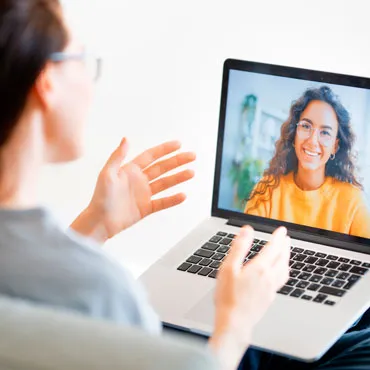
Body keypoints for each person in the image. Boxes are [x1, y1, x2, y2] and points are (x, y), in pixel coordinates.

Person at [0, 1, 369, 370]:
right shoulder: (108, 292)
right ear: (46, 82)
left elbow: (35, 296)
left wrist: (94, 225)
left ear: (336, 144)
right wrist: (236, 323)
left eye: (325, 132)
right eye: (80, 57)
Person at [244, 86, 370, 239]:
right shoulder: (268, 188)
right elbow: (247, 244)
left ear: (335, 146)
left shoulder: (352, 200)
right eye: (305, 126)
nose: (312, 141)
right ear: (294, 133)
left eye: (325, 132)